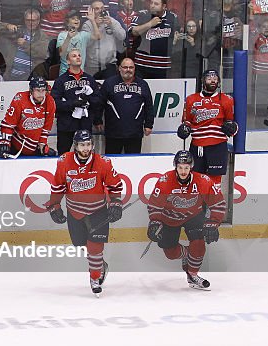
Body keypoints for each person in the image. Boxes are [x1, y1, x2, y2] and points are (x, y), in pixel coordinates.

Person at [45, 129, 121, 296]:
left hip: (97, 211)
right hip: (75, 212)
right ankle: (100, 265)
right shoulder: (64, 162)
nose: (85, 148)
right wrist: (54, 206)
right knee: (81, 244)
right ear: (76, 146)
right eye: (82, 145)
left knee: (95, 248)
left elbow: (115, 185)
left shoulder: (103, 163)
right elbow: (58, 186)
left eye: (88, 144)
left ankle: (94, 278)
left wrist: (116, 203)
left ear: (92, 145)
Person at [146, 150, 225, 291]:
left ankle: (193, 275)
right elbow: (154, 205)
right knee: (170, 253)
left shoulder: (203, 180)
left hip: (193, 216)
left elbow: (218, 203)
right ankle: (188, 254)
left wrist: (214, 222)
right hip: (169, 218)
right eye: (180, 167)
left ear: (191, 167)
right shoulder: (165, 181)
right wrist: (155, 222)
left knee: (199, 245)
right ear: (175, 167)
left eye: (186, 168)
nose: (183, 171)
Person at [178, 69, 235, 190]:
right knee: (196, 179)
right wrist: (184, 128)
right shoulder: (191, 100)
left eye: (215, 78)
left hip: (217, 146)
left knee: (215, 182)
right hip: (197, 146)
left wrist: (231, 127)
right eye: (209, 78)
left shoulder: (226, 100)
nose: (213, 80)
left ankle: (213, 207)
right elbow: (187, 120)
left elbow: (231, 123)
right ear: (203, 81)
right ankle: (197, 206)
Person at [93, 57, 153, 154]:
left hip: (135, 133)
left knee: (133, 162)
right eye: (125, 67)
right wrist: (97, 121)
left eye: (131, 67)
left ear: (134, 69)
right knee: (112, 162)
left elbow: (149, 105)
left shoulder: (143, 84)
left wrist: (149, 124)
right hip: (113, 133)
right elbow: (99, 104)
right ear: (119, 68)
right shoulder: (109, 83)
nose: (128, 70)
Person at [51, 48, 99, 153]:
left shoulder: (90, 79)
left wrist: (88, 100)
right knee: (64, 154)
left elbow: (97, 100)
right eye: (74, 56)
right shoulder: (61, 81)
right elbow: (54, 103)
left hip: (85, 125)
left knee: (85, 154)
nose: (78, 57)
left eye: (79, 55)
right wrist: (72, 104)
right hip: (66, 125)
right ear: (68, 61)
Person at [0, 75, 55, 158]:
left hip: (34, 147)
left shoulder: (50, 102)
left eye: (43, 91)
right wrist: (5, 142)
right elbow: (8, 124)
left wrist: (42, 146)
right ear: (31, 90)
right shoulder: (20, 99)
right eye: (38, 90)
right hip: (15, 145)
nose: (41, 94)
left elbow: (46, 128)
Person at [129, 0, 177, 80]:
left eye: (156, 4)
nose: (152, 6)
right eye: (151, 3)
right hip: (142, 64)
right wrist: (150, 24)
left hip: (163, 66)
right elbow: (133, 32)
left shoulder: (172, 18)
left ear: (164, 6)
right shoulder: (143, 15)